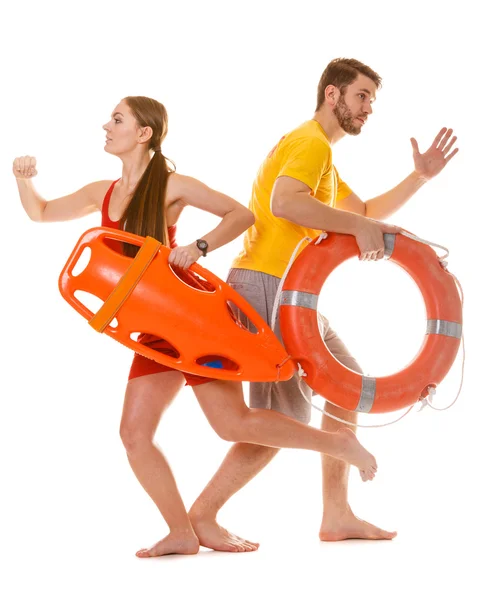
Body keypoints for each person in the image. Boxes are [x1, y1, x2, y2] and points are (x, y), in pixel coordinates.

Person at [14, 95, 381, 558]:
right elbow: (41, 212)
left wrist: (199, 246)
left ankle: (338, 443)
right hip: (149, 331)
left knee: (232, 424)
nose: (106, 126)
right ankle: (183, 532)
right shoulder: (99, 192)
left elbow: (241, 214)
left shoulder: (172, 185)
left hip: (189, 321)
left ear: (143, 133)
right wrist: (25, 181)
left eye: (117, 119)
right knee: (134, 434)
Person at [188, 58, 459, 550]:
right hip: (265, 286)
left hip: (290, 293)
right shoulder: (310, 142)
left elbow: (365, 214)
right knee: (280, 423)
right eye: (362, 96)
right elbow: (285, 203)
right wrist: (356, 227)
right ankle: (201, 516)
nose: (369, 108)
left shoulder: (323, 159)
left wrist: (418, 178)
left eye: (372, 100)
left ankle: (337, 513)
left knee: (345, 383)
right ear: (332, 95)